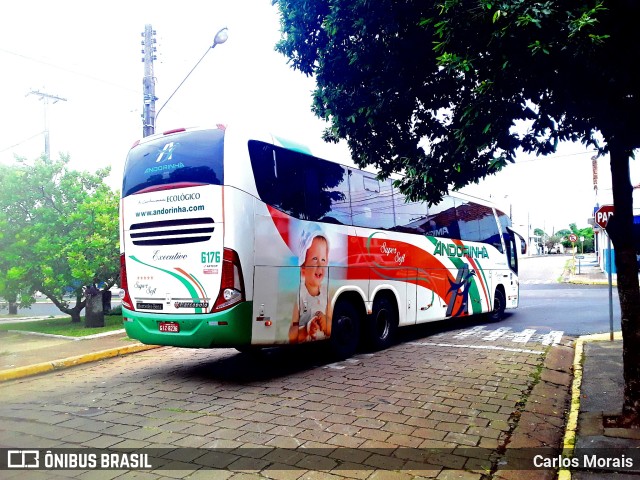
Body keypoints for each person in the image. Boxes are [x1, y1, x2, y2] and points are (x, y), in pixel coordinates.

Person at [289, 231, 332, 343]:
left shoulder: (325, 294)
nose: (320, 265)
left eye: (323, 260)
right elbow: (291, 334)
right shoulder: (300, 294)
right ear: (303, 268)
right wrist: (305, 330)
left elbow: (331, 327)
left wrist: (325, 322)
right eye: (314, 259)